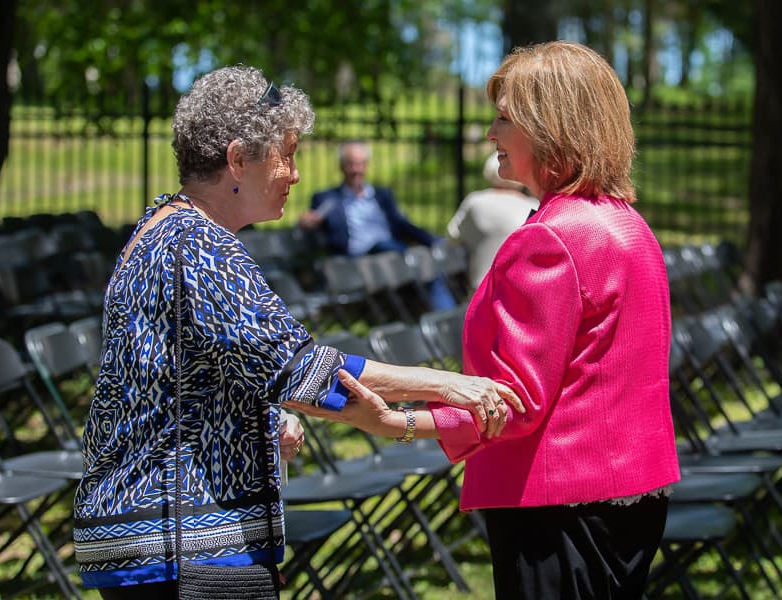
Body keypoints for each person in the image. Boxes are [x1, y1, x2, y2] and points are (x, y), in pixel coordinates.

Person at [71, 65, 521, 599]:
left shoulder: (168, 228)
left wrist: (260, 423)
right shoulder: (197, 245)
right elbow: (298, 369)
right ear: (238, 158)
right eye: (287, 154)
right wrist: (448, 385)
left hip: (166, 538)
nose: (295, 174)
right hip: (178, 544)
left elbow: (208, 375)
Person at [292, 41, 681, 600]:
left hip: (557, 506)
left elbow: (512, 403)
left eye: (504, 118)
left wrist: (394, 423)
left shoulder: (549, 238)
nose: (491, 134)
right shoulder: (627, 225)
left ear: (551, 126)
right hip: (630, 497)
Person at [298, 140, 457, 310]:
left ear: (366, 166)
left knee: (428, 262)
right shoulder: (328, 198)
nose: (356, 170)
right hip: (358, 258)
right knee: (420, 262)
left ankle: (447, 318)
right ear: (341, 166)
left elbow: (403, 224)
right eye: (351, 164)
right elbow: (310, 221)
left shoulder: (382, 195)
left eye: (360, 164)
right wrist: (305, 222)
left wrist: (432, 240)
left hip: (391, 251)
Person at [446, 151, 539, 288]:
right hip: (519, 290)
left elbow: (452, 236)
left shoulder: (474, 202)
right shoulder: (533, 206)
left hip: (480, 289)